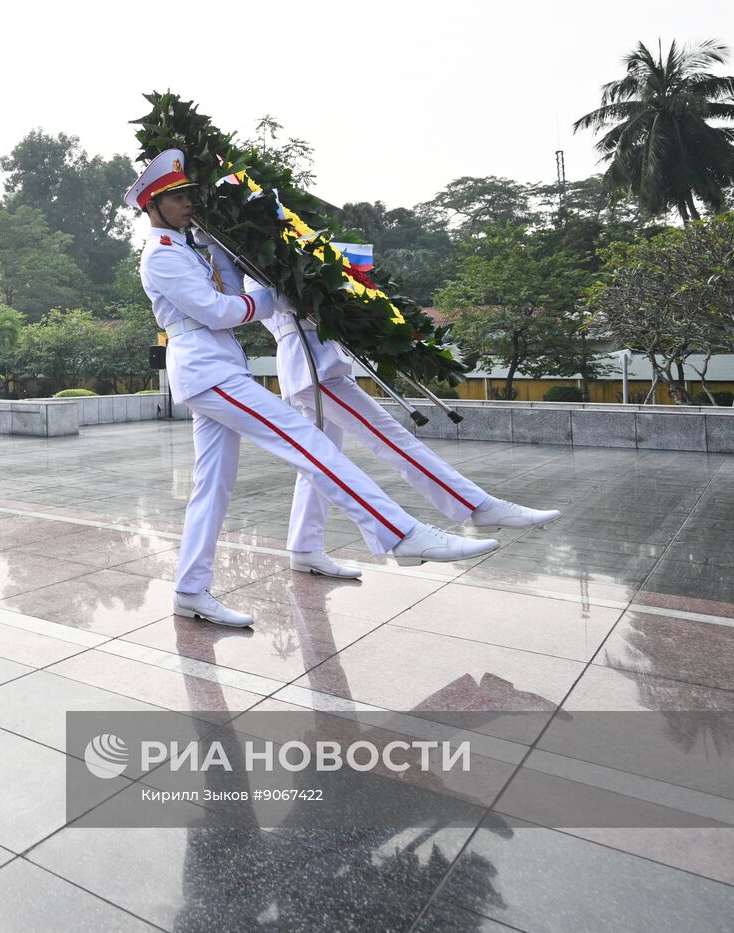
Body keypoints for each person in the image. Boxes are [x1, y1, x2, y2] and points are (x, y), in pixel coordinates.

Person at [128, 149, 497, 628]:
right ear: (152, 206)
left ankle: (190, 590)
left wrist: (222, 247)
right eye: (176, 198)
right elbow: (218, 312)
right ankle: (399, 533)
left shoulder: (188, 247)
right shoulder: (161, 255)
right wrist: (278, 296)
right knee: (309, 444)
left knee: (212, 487)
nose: (187, 204)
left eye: (188, 195)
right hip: (208, 371)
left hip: (216, 368)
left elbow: (231, 290)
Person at [262, 298, 562, 578]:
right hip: (311, 366)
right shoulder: (254, 265)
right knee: (390, 438)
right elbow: (271, 301)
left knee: (319, 465)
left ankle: (304, 547)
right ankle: (478, 506)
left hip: (321, 361)